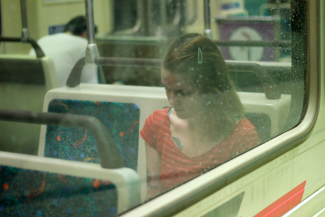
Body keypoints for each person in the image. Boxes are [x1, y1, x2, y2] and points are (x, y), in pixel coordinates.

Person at [140, 33, 260, 199]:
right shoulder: (157, 125)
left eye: (183, 92)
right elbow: (153, 196)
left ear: (210, 90)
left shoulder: (242, 138)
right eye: (167, 88)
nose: (172, 100)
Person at [29, 15, 98, 86]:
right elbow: (90, 84)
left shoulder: (41, 40)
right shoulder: (85, 45)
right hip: (61, 95)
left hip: (34, 94)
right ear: (86, 34)